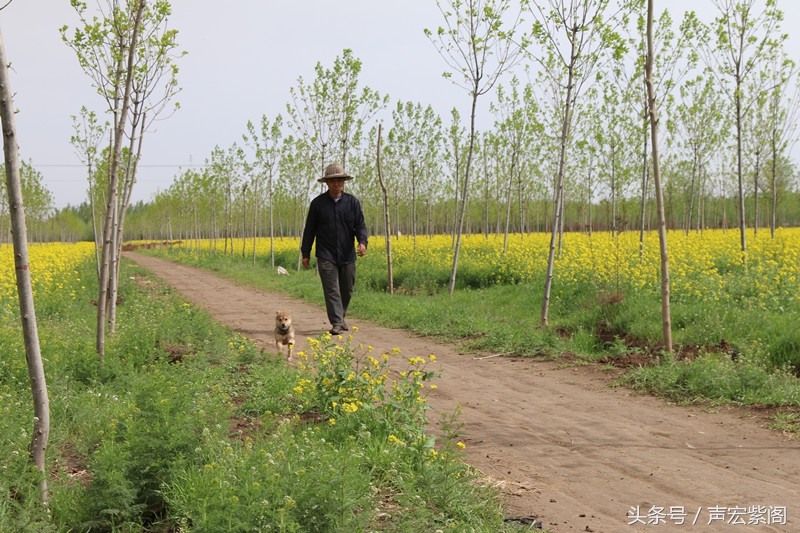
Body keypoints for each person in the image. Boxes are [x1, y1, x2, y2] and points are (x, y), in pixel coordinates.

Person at [301, 162, 368, 335]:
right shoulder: (317, 204)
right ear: (327, 183)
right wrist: (305, 253)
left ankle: (341, 317)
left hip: (347, 253)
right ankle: (337, 322)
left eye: (340, 180)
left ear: (344, 182)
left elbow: (360, 225)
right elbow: (309, 230)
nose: (336, 184)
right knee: (332, 290)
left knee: (347, 288)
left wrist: (362, 242)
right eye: (333, 181)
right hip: (326, 254)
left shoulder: (352, 202)